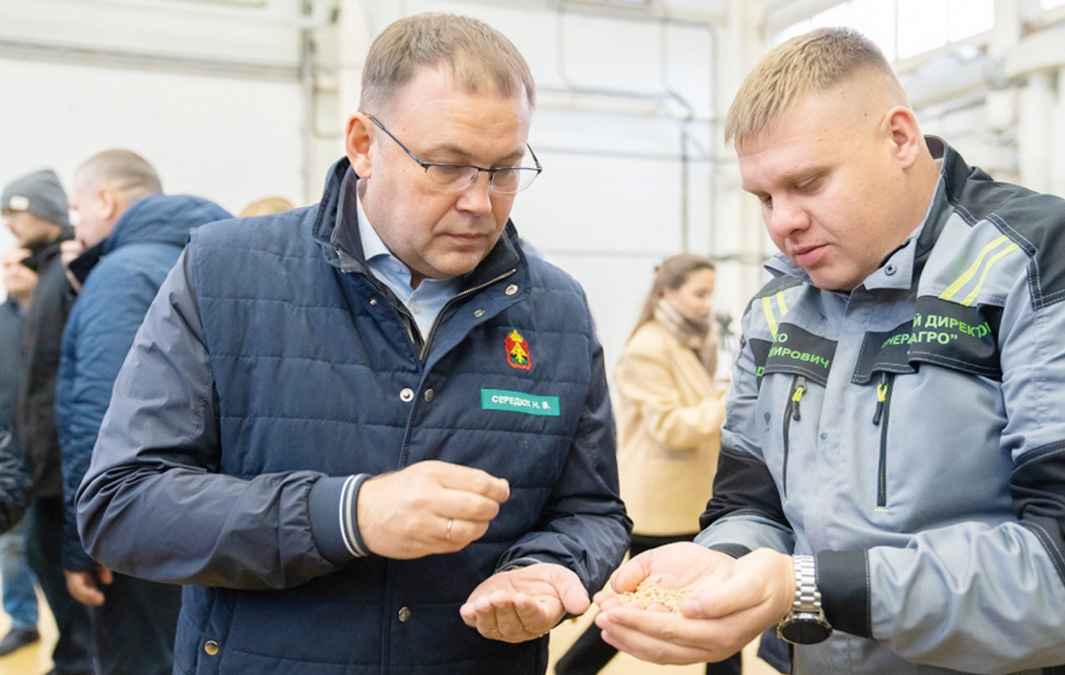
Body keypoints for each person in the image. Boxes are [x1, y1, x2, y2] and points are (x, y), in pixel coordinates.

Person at [593, 27, 1065, 675]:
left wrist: (808, 587)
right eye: (764, 197)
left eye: (809, 182)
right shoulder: (777, 307)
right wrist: (726, 560)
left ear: (900, 138)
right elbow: (751, 502)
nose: (782, 222)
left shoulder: (1059, 267)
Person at [75, 12, 630, 675]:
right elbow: (122, 503)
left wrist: (549, 568)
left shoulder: (556, 312)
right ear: (364, 144)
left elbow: (591, 509)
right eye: (448, 165)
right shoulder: (225, 273)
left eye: (505, 170)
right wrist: (347, 513)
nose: (480, 201)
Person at [58, 149, 230, 674]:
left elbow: (98, 414)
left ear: (106, 200)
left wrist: (82, 539)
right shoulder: (232, 256)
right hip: (228, 522)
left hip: (144, 525)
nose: (78, 225)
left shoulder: (120, 275)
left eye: (77, 209)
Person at [556, 254, 739, 675]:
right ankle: (568, 670)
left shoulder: (689, 343)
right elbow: (672, 428)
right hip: (661, 508)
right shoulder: (648, 348)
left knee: (717, 609)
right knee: (626, 613)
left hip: (692, 501)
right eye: (699, 293)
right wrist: (726, 403)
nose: (707, 303)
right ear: (669, 292)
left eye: (710, 293)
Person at [1, 169, 95, 675]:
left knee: (68, 579)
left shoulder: (66, 271)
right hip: (40, 463)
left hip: (63, 465)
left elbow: (69, 378)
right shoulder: (47, 272)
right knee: (42, 565)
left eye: (16, 211)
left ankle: (75, 662)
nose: (10, 223)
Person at [0, 246, 40, 657]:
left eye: (18, 263)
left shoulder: (57, 313)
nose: (10, 271)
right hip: (9, 457)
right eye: (5, 265)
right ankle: (24, 621)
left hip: (55, 455)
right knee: (11, 547)